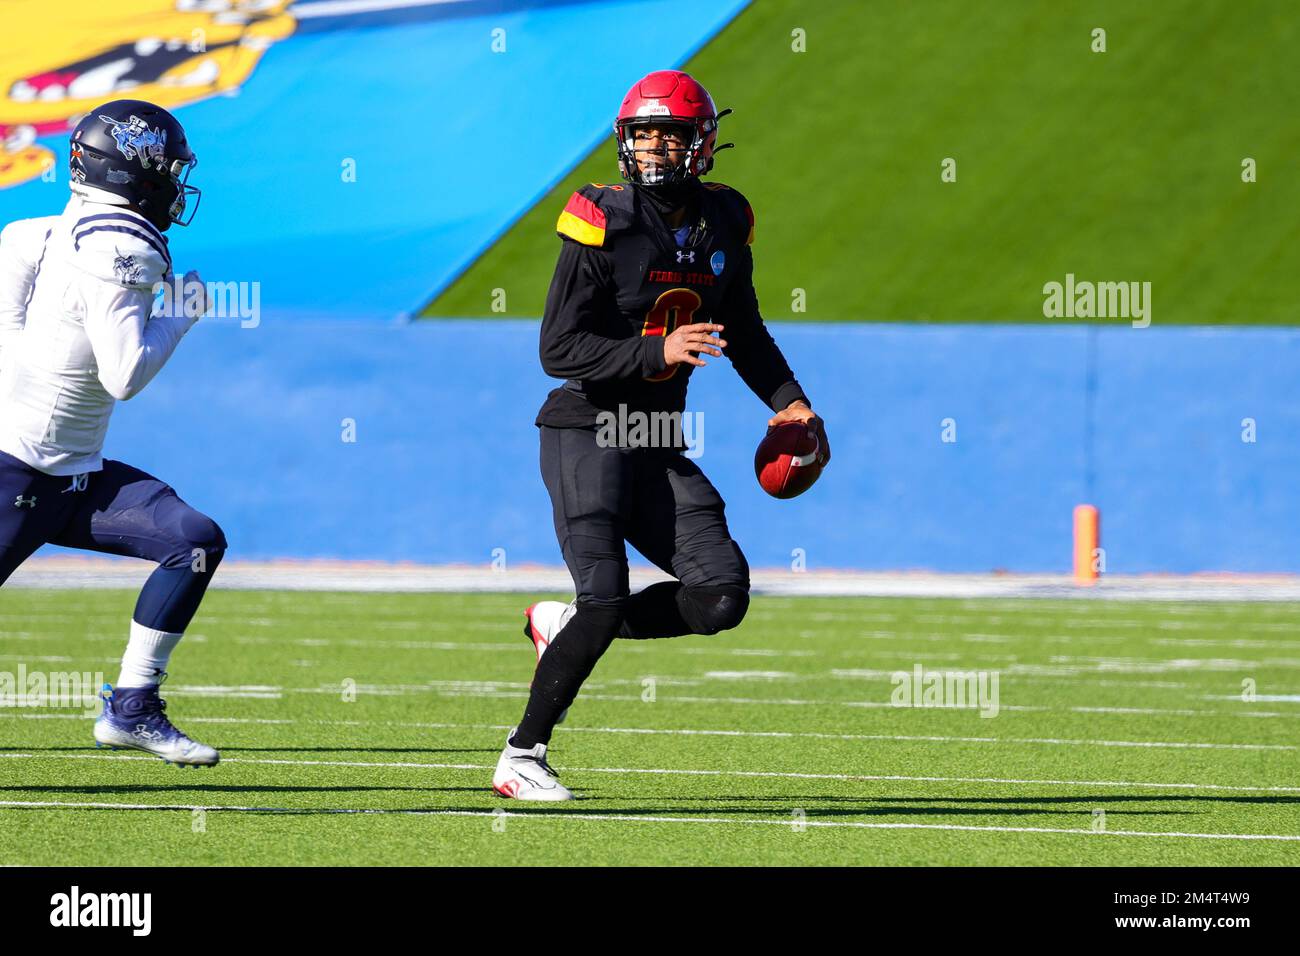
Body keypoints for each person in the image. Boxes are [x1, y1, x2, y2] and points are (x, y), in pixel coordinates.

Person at [493, 70, 830, 800]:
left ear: (703, 142)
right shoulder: (599, 216)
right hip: (585, 425)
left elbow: (744, 330)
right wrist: (658, 352)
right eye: (643, 132)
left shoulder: (725, 222)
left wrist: (792, 403)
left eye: (670, 133)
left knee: (720, 596)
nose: (654, 146)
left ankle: (567, 625)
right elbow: (558, 348)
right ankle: (522, 756)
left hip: (653, 432)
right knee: (606, 594)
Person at [0, 99, 224, 768]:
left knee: (194, 542)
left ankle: (132, 707)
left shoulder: (31, 232)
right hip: (19, 473)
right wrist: (182, 314)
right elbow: (125, 372)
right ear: (133, 170)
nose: (176, 182)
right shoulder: (123, 248)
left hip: (74, 472)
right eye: (168, 167)